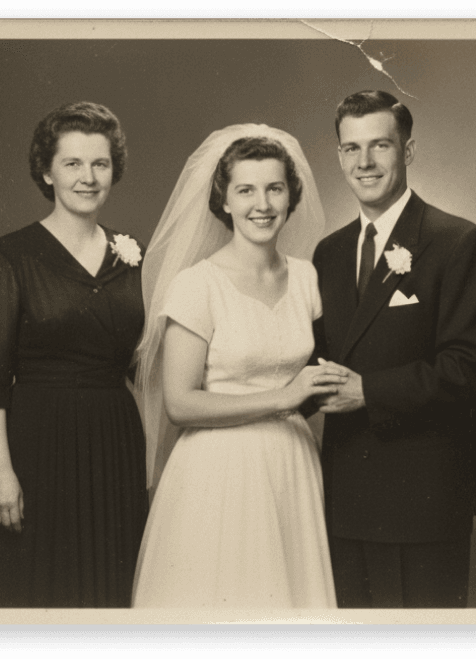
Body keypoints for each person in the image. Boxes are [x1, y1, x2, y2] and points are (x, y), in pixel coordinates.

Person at [130, 125, 343, 608]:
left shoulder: (309, 277)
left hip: (292, 465)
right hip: (219, 471)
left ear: (291, 196)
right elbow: (180, 403)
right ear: (223, 201)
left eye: (274, 188)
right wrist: (284, 398)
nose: (261, 204)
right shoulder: (197, 284)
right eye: (245, 190)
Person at [311, 90, 476, 608]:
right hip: (345, 499)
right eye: (351, 149)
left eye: (380, 146)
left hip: (420, 501)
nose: (365, 162)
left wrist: (368, 391)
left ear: (408, 152)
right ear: (338, 157)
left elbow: (473, 367)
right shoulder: (327, 253)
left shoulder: (456, 241)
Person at [0, 101, 149, 607]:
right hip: (36, 448)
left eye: (100, 164)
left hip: (114, 446)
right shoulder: (12, 255)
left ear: (114, 170)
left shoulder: (132, 254)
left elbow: (148, 362)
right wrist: (0, 472)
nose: (88, 178)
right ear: (47, 171)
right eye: (73, 164)